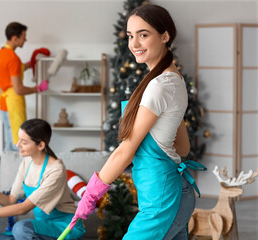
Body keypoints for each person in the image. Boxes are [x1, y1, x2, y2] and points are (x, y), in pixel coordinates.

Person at [69, 4, 206, 240]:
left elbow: (125, 152)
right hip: (170, 193)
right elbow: (183, 148)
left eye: (144, 35)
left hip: (163, 201)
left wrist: (91, 195)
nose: (134, 44)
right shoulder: (174, 80)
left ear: (165, 36)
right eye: (131, 36)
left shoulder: (160, 85)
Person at [0, 118, 86, 240]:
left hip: (64, 227)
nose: (17, 144)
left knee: (21, 228)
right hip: (43, 227)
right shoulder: (27, 162)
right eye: (18, 139)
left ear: (41, 145)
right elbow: (10, 201)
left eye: (24, 142)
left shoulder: (55, 170)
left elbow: (23, 209)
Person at [0, 22, 49, 151]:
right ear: (15, 38)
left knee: (9, 141)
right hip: (13, 103)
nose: (25, 39)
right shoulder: (13, 58)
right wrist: (38, 88)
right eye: (24, 36)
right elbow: (18, 89)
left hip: (4, 104)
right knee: (18, 143)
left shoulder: (1, 53)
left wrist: (28, 65)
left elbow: (11, 71)